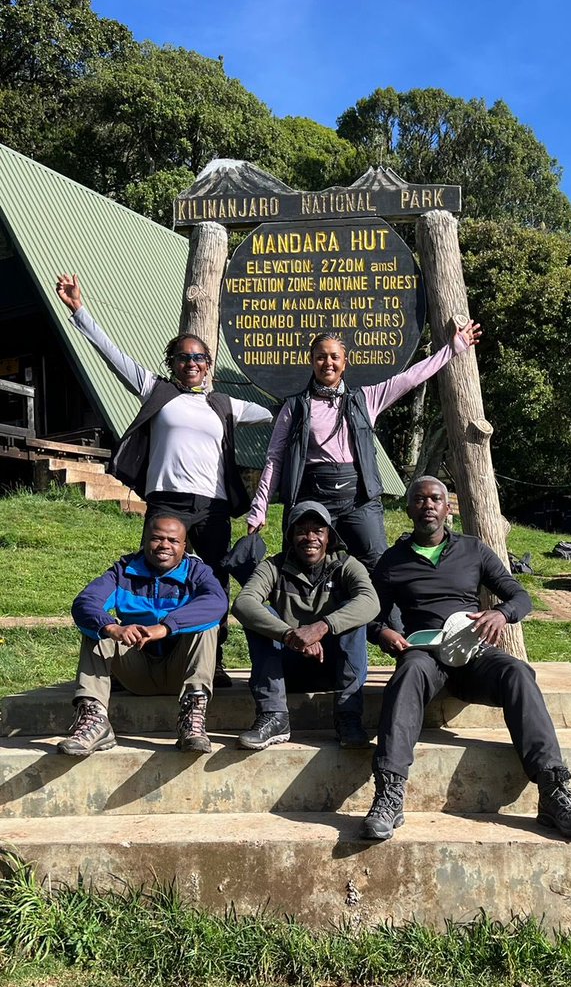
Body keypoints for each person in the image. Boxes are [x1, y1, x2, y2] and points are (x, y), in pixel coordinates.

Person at [55, 271, 273, 684]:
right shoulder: (157, 391)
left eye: (199, 358)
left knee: (213, 581)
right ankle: (147, 654)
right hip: (166, 503)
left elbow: (273, 412)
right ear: (172, 363)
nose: (192, 364)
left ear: (209, 366)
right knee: (154, 573)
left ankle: (211, 660)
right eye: (183, 358)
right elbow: (112, 355)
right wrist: (79, 310)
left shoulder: (224, 404)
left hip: (211, 507)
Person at [362, 476, 571, 842]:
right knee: (408, 673)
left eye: (436, 499)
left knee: (518, 672)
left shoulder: (473, 550)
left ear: (447, 508)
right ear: (409, 509)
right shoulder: (392, 561)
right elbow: (370, 617)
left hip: (473, 654)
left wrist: (501, 613)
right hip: (425, 655)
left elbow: (520, 596)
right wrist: (383, 634)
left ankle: (553, 791)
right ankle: (389, 795)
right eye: (420, 499)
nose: (428, 505)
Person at [247, 322, 481, 570]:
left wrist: (453, 348)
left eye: (335, 357)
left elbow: (411, 378)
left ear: (344, 362)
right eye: (321, 357)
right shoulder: (294, 407)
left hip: (359, 499)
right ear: (311, 361)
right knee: (303, 567)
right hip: (312, 497)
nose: (328, 363)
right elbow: (274, 459)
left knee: (378, 566)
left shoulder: (366, 398)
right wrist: (260, 507)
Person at [58, 515, 227, 756]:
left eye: (173, 540)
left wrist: (166, 627)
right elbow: (86, 602)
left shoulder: (197, 573)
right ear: (145, 541)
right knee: (98, 628)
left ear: (184, 546)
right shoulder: (123, 572)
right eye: (157, 538)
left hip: (181, 670)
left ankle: (192, 719)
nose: (164, 545)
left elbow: (216, 603)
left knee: (206, 625)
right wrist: (113, 628)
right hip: (136, 669)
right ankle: (95, 720)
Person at [233, 500, 380, 749]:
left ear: (328, 537)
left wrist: (320, 628)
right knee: (260, 615)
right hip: (286, 667)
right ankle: (274, 716)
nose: (310, 538)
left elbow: (370, 601)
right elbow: (243, 603)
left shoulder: (346, 564)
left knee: (353, 614)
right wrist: (291, 635)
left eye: (317, 531)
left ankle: (348, 718)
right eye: (301, 531)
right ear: (291, 536)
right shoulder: (273, 566)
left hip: (334, 667)